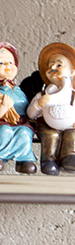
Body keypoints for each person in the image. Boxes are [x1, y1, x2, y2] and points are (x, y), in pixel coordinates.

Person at [27, 43, 75, 175]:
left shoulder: (74, 96)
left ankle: (69, 157)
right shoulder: (43, 95)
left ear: (71, 72)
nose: (53, 68)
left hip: (70, 125)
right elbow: (31, 114)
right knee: (51, 135)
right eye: (50, 66)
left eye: (59, 65)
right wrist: (38, 105)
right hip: (47, 125)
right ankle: (48, 160)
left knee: (73, 134)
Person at [0, 42, 37, 174]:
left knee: (25, 133)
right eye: (1, 63)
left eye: (11, 63)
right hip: (2, 122)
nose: (8, 67)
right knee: (4, 131)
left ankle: (24, 160)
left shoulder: (18, 90)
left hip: (21, 122)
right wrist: (3, 107)